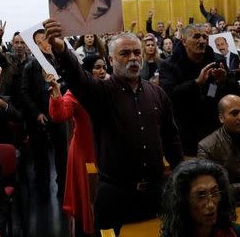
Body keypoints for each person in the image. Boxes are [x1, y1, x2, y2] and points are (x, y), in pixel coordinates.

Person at [44, 18, 183, 233]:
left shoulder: (157, 93)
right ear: (111, 59)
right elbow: (77, 78)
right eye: (125, 54)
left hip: (156, 193)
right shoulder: (100, 92)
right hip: (116, 196)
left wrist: (180, 174)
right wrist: (62, 49)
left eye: (137, 52)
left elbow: (171, 138)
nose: (133, 58)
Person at [48, 54, 107, 235]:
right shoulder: (76, 92)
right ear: (87, 72)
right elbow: (60, 115)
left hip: (107, 150)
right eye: (97, 67)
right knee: (87, 201)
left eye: (104, 67)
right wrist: (56, 92)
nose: (102, 71)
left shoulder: (110, 87)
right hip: (85, 152)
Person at [160, 24, 240, 155]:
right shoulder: (169, 65)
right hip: (185, 130)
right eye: (196, 37)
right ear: (184, 41)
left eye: (204, 37)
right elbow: (169, 96)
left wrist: (224, 81)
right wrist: (196, 83)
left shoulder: (217, 60)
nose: (202, 41)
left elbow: (236, 92)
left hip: (215, 127)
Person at [21, 28, 67, 197]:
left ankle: (63, 185)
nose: (43, 44)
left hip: (60, 113)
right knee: (40, 155)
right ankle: (43, 188)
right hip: (39, 116)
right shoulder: (30, 66)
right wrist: (37, 113)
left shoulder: (61, 61)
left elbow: (69, 83)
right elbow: (24, 92)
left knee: (62, 153)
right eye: (38, 42)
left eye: (45, 40)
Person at [160, 159, 240, 237]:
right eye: (201, 195)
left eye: (215, 193)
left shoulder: (237, 233)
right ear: (183, 201)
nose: (210, 205)